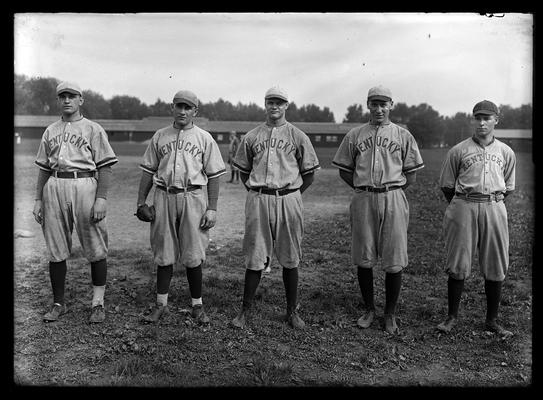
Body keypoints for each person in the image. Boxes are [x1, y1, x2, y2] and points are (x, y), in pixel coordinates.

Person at [332, 85, 424, 335]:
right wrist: (363, 188)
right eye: (374, 104)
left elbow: (412, 173)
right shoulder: (355, 134)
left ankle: (390, 313)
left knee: (394, 258)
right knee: (364, 256)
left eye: (384, 104)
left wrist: (392, 191)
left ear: (391, 105)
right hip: (364, 197)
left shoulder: (403, 135)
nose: (379, 109)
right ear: (368, 105)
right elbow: (344, 169)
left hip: (393, 195)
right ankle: (370, 309)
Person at [230, 86, 320, 329]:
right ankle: (245, 311)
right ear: (265, 104)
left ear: (286, 106)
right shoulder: (252, 136)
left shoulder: (298, 136)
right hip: (259, 197)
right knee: (255, 255)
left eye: (279, 102)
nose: (275, 106)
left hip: (288, 198)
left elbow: (309, 174)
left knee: (290, 257)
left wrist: (291, 195)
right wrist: (256, 193)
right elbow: (243, 171)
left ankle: (292, 312)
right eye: (271, 101)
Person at [135, 89, 226, 324]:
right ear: (172, 108)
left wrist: (212, 207)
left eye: (188, 107)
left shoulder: (204, 137)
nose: (183, 111)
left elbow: (214, 175)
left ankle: (197, 305)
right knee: (164, 253)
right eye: (179, 106)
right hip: (164, 195)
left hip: (192, 196)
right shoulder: (159, 136)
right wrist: (141, 202)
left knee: (194, 253)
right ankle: (161, 304)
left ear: (195, 111)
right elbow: (148, 171)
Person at [33, 81, 118, 324]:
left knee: (95, 245)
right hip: (55, 185)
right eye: (62, 96)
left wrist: (101, 198)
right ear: (58, 101)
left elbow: (105, 167)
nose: (67, 100)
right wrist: (38, 199)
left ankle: (98, 303)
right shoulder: (50, 130)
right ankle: (59, 303)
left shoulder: (93, 129)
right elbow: (43, 169)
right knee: (56, 247)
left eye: (72, 96)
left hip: (85, 185)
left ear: (81, 100)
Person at [436, 100, 516, 337]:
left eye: (487, 118)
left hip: (494, 205)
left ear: (496, 120)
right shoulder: (458, 150)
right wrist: (463, 204)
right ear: (473, 119)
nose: (482, 122)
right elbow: (447, 186)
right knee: (458, 262)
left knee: (495, 263)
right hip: (464, 204)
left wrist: (491, 202)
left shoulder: (505, 152)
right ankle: (451, 317)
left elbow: (509, 187)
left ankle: (491, 320)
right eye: (478, 118)